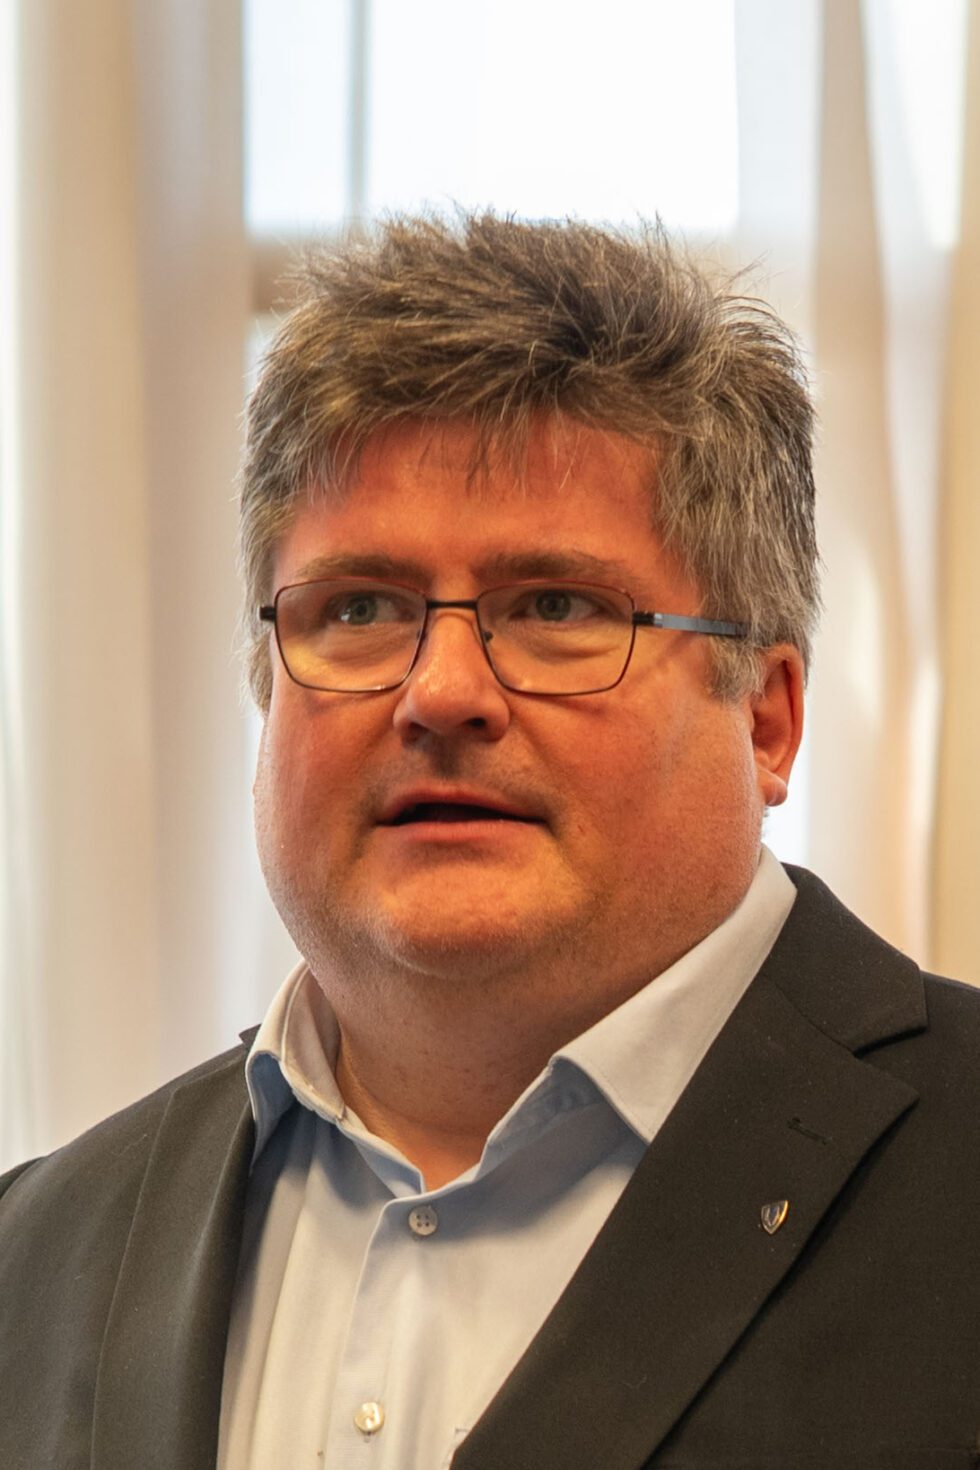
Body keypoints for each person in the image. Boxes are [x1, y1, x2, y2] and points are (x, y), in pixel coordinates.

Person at [1, 214, 978, 1470]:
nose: (440, 692)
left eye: (554, 606)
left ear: (766, 717)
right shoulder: (34, 1258)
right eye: (359, 607)